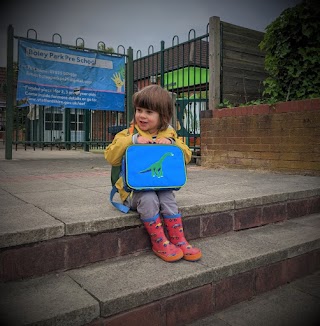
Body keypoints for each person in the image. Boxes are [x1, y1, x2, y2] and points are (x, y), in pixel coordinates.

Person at [104, 85, 202, 263]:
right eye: (139, 110)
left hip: (160, 186)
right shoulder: (127, 134)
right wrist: (132, 141)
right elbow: (111, 156)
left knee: (167, 196)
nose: (142, 115)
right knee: (149, 197)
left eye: (149, 112)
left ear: (162, 117)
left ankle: (178, 239)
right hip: (133, 192)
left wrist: (172, 143)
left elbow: (186, 155)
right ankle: (159, 241)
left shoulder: (170, 134)